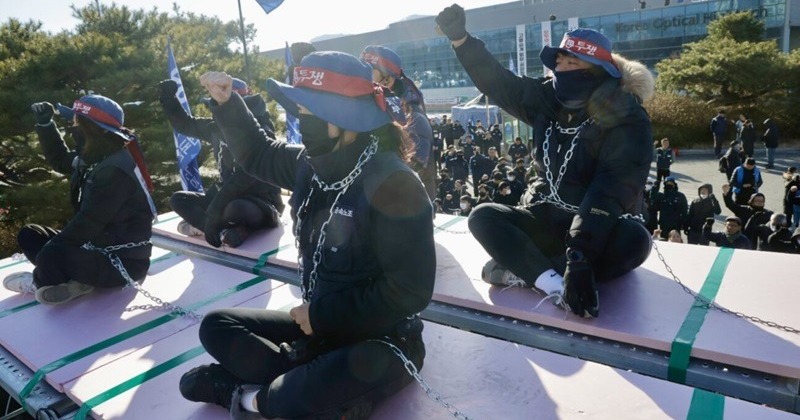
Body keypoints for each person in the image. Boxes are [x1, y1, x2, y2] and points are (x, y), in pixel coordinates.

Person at [181, 52, 435, 419]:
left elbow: (410, 292)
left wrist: (321, 316)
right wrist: (228, 103)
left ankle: (249, 396)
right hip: (317, 326)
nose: (303, 120)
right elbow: (258, 153)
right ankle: (303, 380)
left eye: (313, 112)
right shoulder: (309, 165)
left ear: (347, 119)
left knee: (289, 397)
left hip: (382, 340)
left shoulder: (394, 185)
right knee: (216, 326)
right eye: (302, 109)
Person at [436, 4, 654, 318]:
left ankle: (527, 268)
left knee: (635, 242)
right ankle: (552, 282)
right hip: (547, 215)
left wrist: (580, 256)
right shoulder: (545, 99)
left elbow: (610, 189)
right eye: (559, 62)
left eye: (572, 62)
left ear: (596, 71)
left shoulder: (628, 118)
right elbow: (498, 83)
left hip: (599, 223)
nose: (561, 69)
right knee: (483, 215)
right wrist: (461, 41)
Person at [3, 96, 154, 304]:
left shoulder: (114, 170)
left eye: (75, 122)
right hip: (94, 247)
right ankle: (77, 283)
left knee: (53, 253)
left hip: (122, 263)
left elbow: (87, 224)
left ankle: (39, 283)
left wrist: (50, 257)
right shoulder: (95, 156)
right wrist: (46, 125)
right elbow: (60, 160)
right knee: (31, 235)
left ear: (92, 128)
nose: (71, 126)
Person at [158, 78, 285, 248]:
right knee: (178, 200)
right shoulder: (215, 127)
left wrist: (214, 209)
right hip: (225, 197)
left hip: (260, 201)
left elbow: (246, 176)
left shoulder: (261, 131)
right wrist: (169, 99)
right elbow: (186, 125)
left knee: (236, 208)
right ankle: (220, 231)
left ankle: (214, 226)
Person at [361, 45, 437, 201]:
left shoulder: (411, 113)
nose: (363, 76)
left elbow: (414, 165)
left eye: (369, 71)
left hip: (405, 202)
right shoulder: (374, 103)